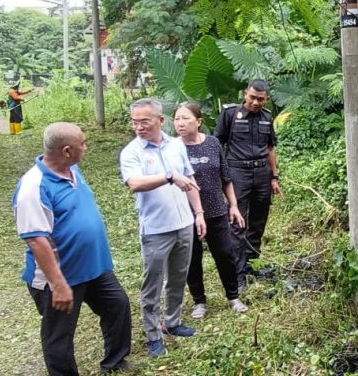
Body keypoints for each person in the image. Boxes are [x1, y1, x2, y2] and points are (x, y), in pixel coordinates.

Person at [14, 123, 132, 376]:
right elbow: (37, 240)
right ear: (67, 150)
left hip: (94, 267)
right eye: (83, 143)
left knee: (117, 305)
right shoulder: (33, 186)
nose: (86, 147)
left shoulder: (72, 170)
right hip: (60, 275)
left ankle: (115, 361)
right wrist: (58, 284)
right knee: (59, 330)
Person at [119, 98, 207, 358]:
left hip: (184, 224)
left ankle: (173, 321)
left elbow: (188, 179)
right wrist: (168, 177)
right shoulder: (132, 152)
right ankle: (153, 334)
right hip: (156, 228)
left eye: (144, 121)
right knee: (153, 283)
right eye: (135, 122)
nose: (139, 127)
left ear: (160, 120)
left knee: (178, 276)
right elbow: (134, 183)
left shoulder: (176, 146)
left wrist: (198, 213)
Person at [173, 103, 249, 317]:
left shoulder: (213, 143)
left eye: (185, 118)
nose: (180, 123)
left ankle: (233, 297)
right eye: (177, 119)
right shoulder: (171, 148)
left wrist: (233, 205)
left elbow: (226, 178)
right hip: (186, 214)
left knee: (225, 254)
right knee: (192, 258)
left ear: (198, 121)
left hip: (216, 210)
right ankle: (199, 301)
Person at [213, 79, 282, 291]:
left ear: (267, 99)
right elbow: (217, 144)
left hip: (262, 173)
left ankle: (252, 263)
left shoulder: (267, 118)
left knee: (259, 221)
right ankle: (238, 273)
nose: (255, 102)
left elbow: (270, 148)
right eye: (252, 97)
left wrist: (274, 177)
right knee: (237, 224)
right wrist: (221, 177)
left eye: (260, 99)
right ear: (245, 94)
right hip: (237, 173)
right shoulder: (230, 115)